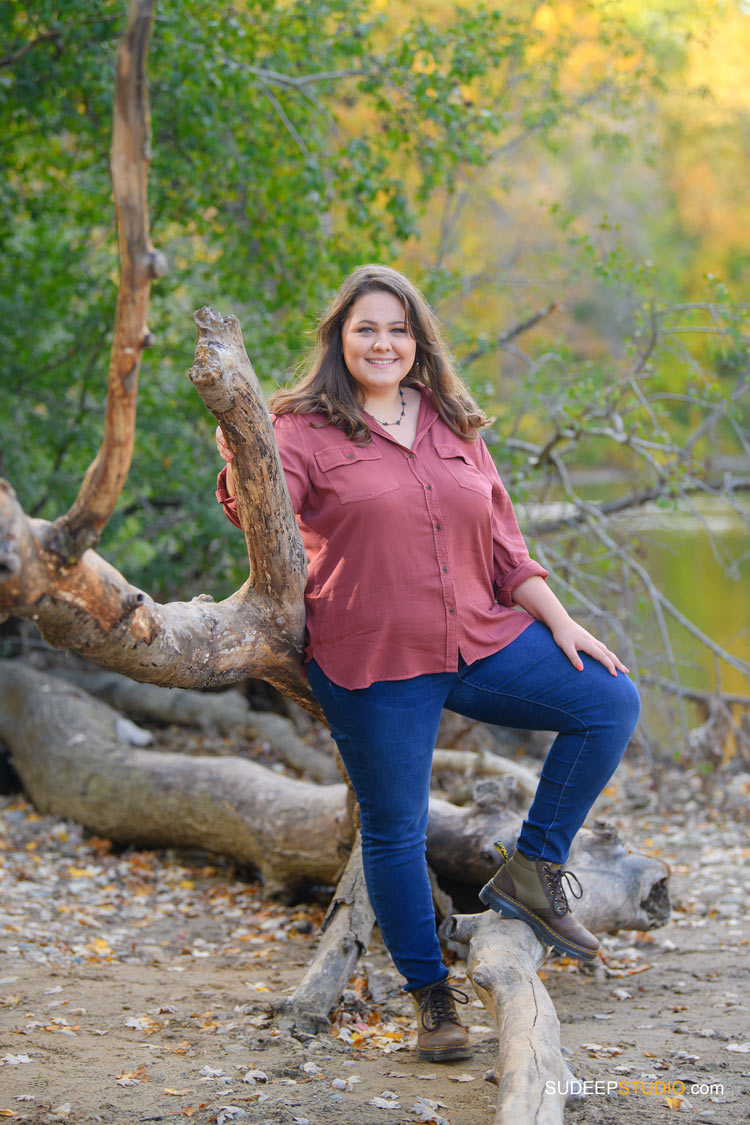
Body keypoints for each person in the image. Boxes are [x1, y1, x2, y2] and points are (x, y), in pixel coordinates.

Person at [215, 264, 640, 1063]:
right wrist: (243, 437)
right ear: (340, 337)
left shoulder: (453, 420)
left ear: (419, 340)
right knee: (396, 826)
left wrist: (566, 623)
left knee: (610, 701)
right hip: (373, 658)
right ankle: (431, 997)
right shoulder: (302, 428)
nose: (384, 342)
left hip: (478, 638)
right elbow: (254, 509)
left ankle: (534, 867)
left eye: (398, 328)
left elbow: (508, 547)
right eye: (367, 327)